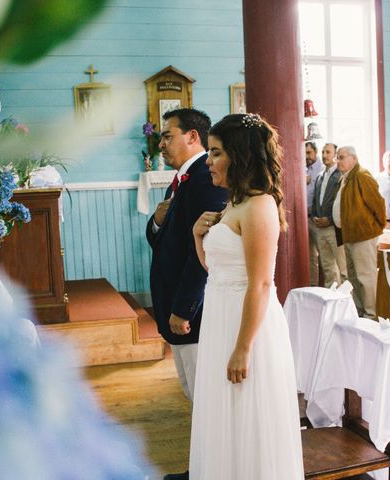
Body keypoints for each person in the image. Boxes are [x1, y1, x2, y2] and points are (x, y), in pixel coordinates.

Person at [189, 113, 303, 480]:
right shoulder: (232, 203)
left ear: (240, 156)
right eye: (209, 152)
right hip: (221, 318)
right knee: (225, 416)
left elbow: (260, 284)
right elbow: (218, 272)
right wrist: (197, 237)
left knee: (248, 416)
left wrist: (242, 348)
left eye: (216, 153)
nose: (208, 161)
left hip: (247, 327)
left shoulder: (259, 206)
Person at [145, 108, 228, 480]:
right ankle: (203, 468)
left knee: (205, 400)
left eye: (167, 135)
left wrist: (184, 308)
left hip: (194, 312)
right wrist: (157, 221)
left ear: (192, 137)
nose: (161, 143)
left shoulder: (204, 181)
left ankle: (211, 471)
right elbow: (163, 242)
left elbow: (203, 254)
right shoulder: (179, 181)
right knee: (194, 397)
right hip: (178, 309)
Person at [333, 145, 385, 318]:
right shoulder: (346, 177)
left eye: (341, 157)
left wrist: (376, 227)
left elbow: (377, 203)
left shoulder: (361, 175)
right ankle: (360, 311)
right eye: (337, 158)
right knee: (353, 277)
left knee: (366, 276)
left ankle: (371, 314)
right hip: (349, 235)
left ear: (353, 158)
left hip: (363, 235)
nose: (337, 161)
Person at [310, 142, 347, 286]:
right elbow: (315, 200)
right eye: (323, 152)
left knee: (343, 268)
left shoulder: (341, 176)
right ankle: (332, 300)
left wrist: (330, 220)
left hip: (334, 228)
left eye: (328, 152)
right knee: (328, 268)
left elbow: (343, 204)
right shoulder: (320, 176)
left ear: (335, 156)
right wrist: (314, 216)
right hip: (320, 228)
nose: (324, 155)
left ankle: (347, 302)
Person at [305, 141, 324, 285]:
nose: (306, 157)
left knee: (324, 255)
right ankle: (314, 286)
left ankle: (328, 288)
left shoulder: (321, 169)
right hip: (304, 218)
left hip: (317, 218)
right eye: (304, 153)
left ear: (316, 152)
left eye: (309, 153)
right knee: (310, 257)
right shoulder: (302, 167)